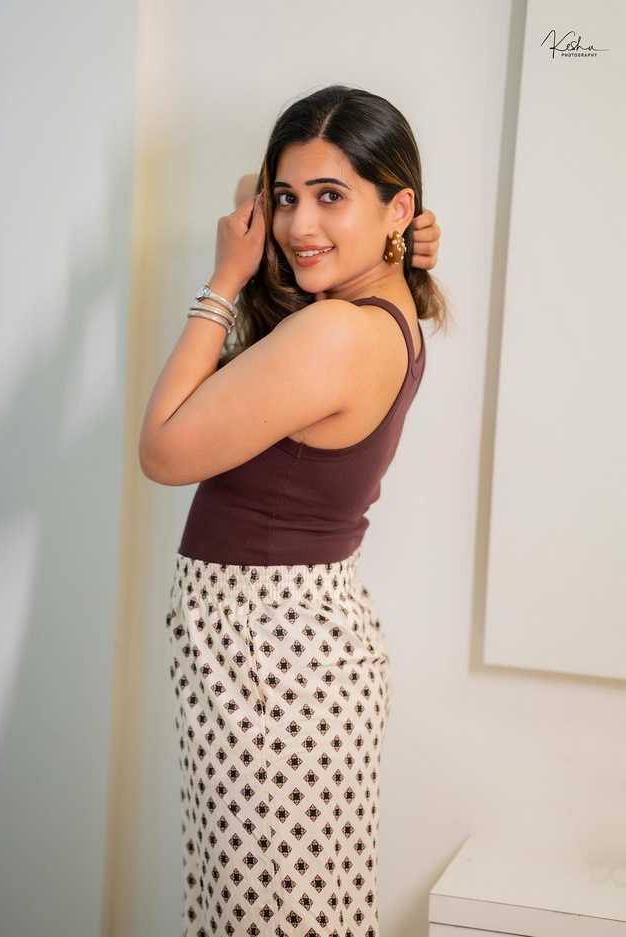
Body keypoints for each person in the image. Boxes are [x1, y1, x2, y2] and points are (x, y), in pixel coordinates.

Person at [140, 84, 448, 937]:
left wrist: (223, 280)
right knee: (283, 911)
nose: (298, 225)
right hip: (284, 647)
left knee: (269, 917)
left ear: (397, 207)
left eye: (331, 197)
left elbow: (162, 450)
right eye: (289, 198)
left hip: (270, 659)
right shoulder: (389, 306)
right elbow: (257, 192)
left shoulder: (333, 332)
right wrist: (387, 221)